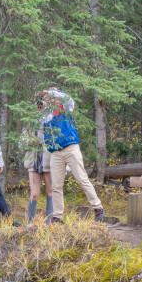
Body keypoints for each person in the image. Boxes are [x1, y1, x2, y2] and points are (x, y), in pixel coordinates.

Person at [41, 86, 104, 223]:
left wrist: (53, 93)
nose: (52, 97)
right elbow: (44, 131)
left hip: (71, 147)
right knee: (56, 185)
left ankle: (98, 208)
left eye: (55, 94)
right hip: (56, 152)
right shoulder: (47, 114)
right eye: (50, 95)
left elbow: (67, 98)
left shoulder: (66, 106)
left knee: (82, 179)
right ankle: (57, 216)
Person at [21, 98, 53, 223]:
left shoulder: (51, 119)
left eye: (43, 101)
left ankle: (49, 223)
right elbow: (22, 142)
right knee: (34, 194)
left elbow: (57, 139)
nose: (40, 104)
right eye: (38, 102)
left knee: (50, 191)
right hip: (33, 159)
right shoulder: (30, 121)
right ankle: (30, 223)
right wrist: (29, 141)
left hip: (48, 159)